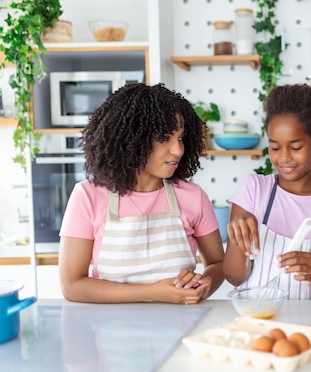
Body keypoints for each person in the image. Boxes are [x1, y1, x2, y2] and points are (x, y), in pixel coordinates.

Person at [58, 83, 224, 304]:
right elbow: (72, 285)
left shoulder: (193, 197)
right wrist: (154, 292)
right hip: (110, 333)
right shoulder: (88, 196)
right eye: (165, 138)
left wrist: (204, 284)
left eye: (181, 138)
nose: (178, 150)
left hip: (181, 328)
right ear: (132, 139)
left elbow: (218, 264)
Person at [223, 81, 311, 300]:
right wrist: (240, 239)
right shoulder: (254, 189)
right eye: (275, 147)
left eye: (295, 148)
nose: (284, 157)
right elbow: (234, 276)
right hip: (255, 323)